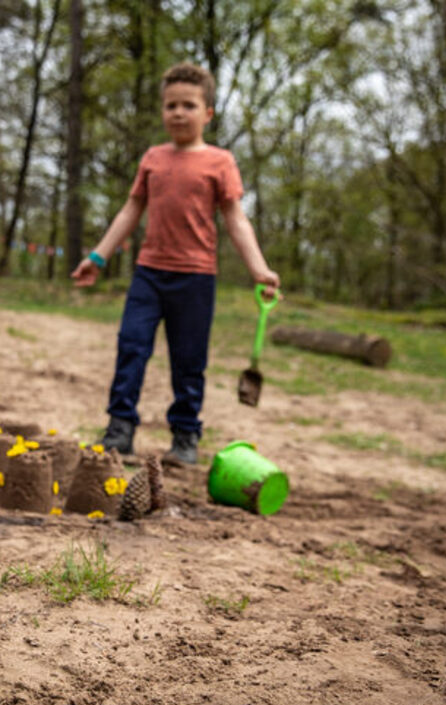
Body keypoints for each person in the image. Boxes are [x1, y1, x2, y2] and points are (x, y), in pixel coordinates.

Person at [71, 62, 281, 466]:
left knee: (189, 361)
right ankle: (120, 429)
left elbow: (236, 218)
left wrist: (260, 269)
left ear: (208, 113)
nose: (179, 112)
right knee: (131, 346)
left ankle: (185, 436)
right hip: (149, 274)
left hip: (196, 279)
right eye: (171, 105)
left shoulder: (220, 162)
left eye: (189, 104)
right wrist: (98, 256)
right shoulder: (153, 158)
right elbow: (131, 210)